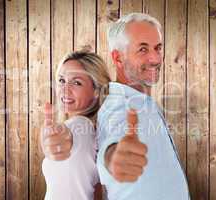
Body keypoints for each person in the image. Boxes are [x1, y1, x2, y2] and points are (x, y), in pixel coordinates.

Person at [95, 13, 191, 199]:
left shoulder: (144, 102)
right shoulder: (118, 106)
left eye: (158, 48)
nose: (155, 59)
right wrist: (113, 158)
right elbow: (113, 144)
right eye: (143, 50)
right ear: (118, 58)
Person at [40, 50, 111, 200]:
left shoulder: (79, 126)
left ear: (97, 91)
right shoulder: (95, 131)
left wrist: (57, 139)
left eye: (76, 82)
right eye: (61, 80)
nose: (65, 89)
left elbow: (69, 137)